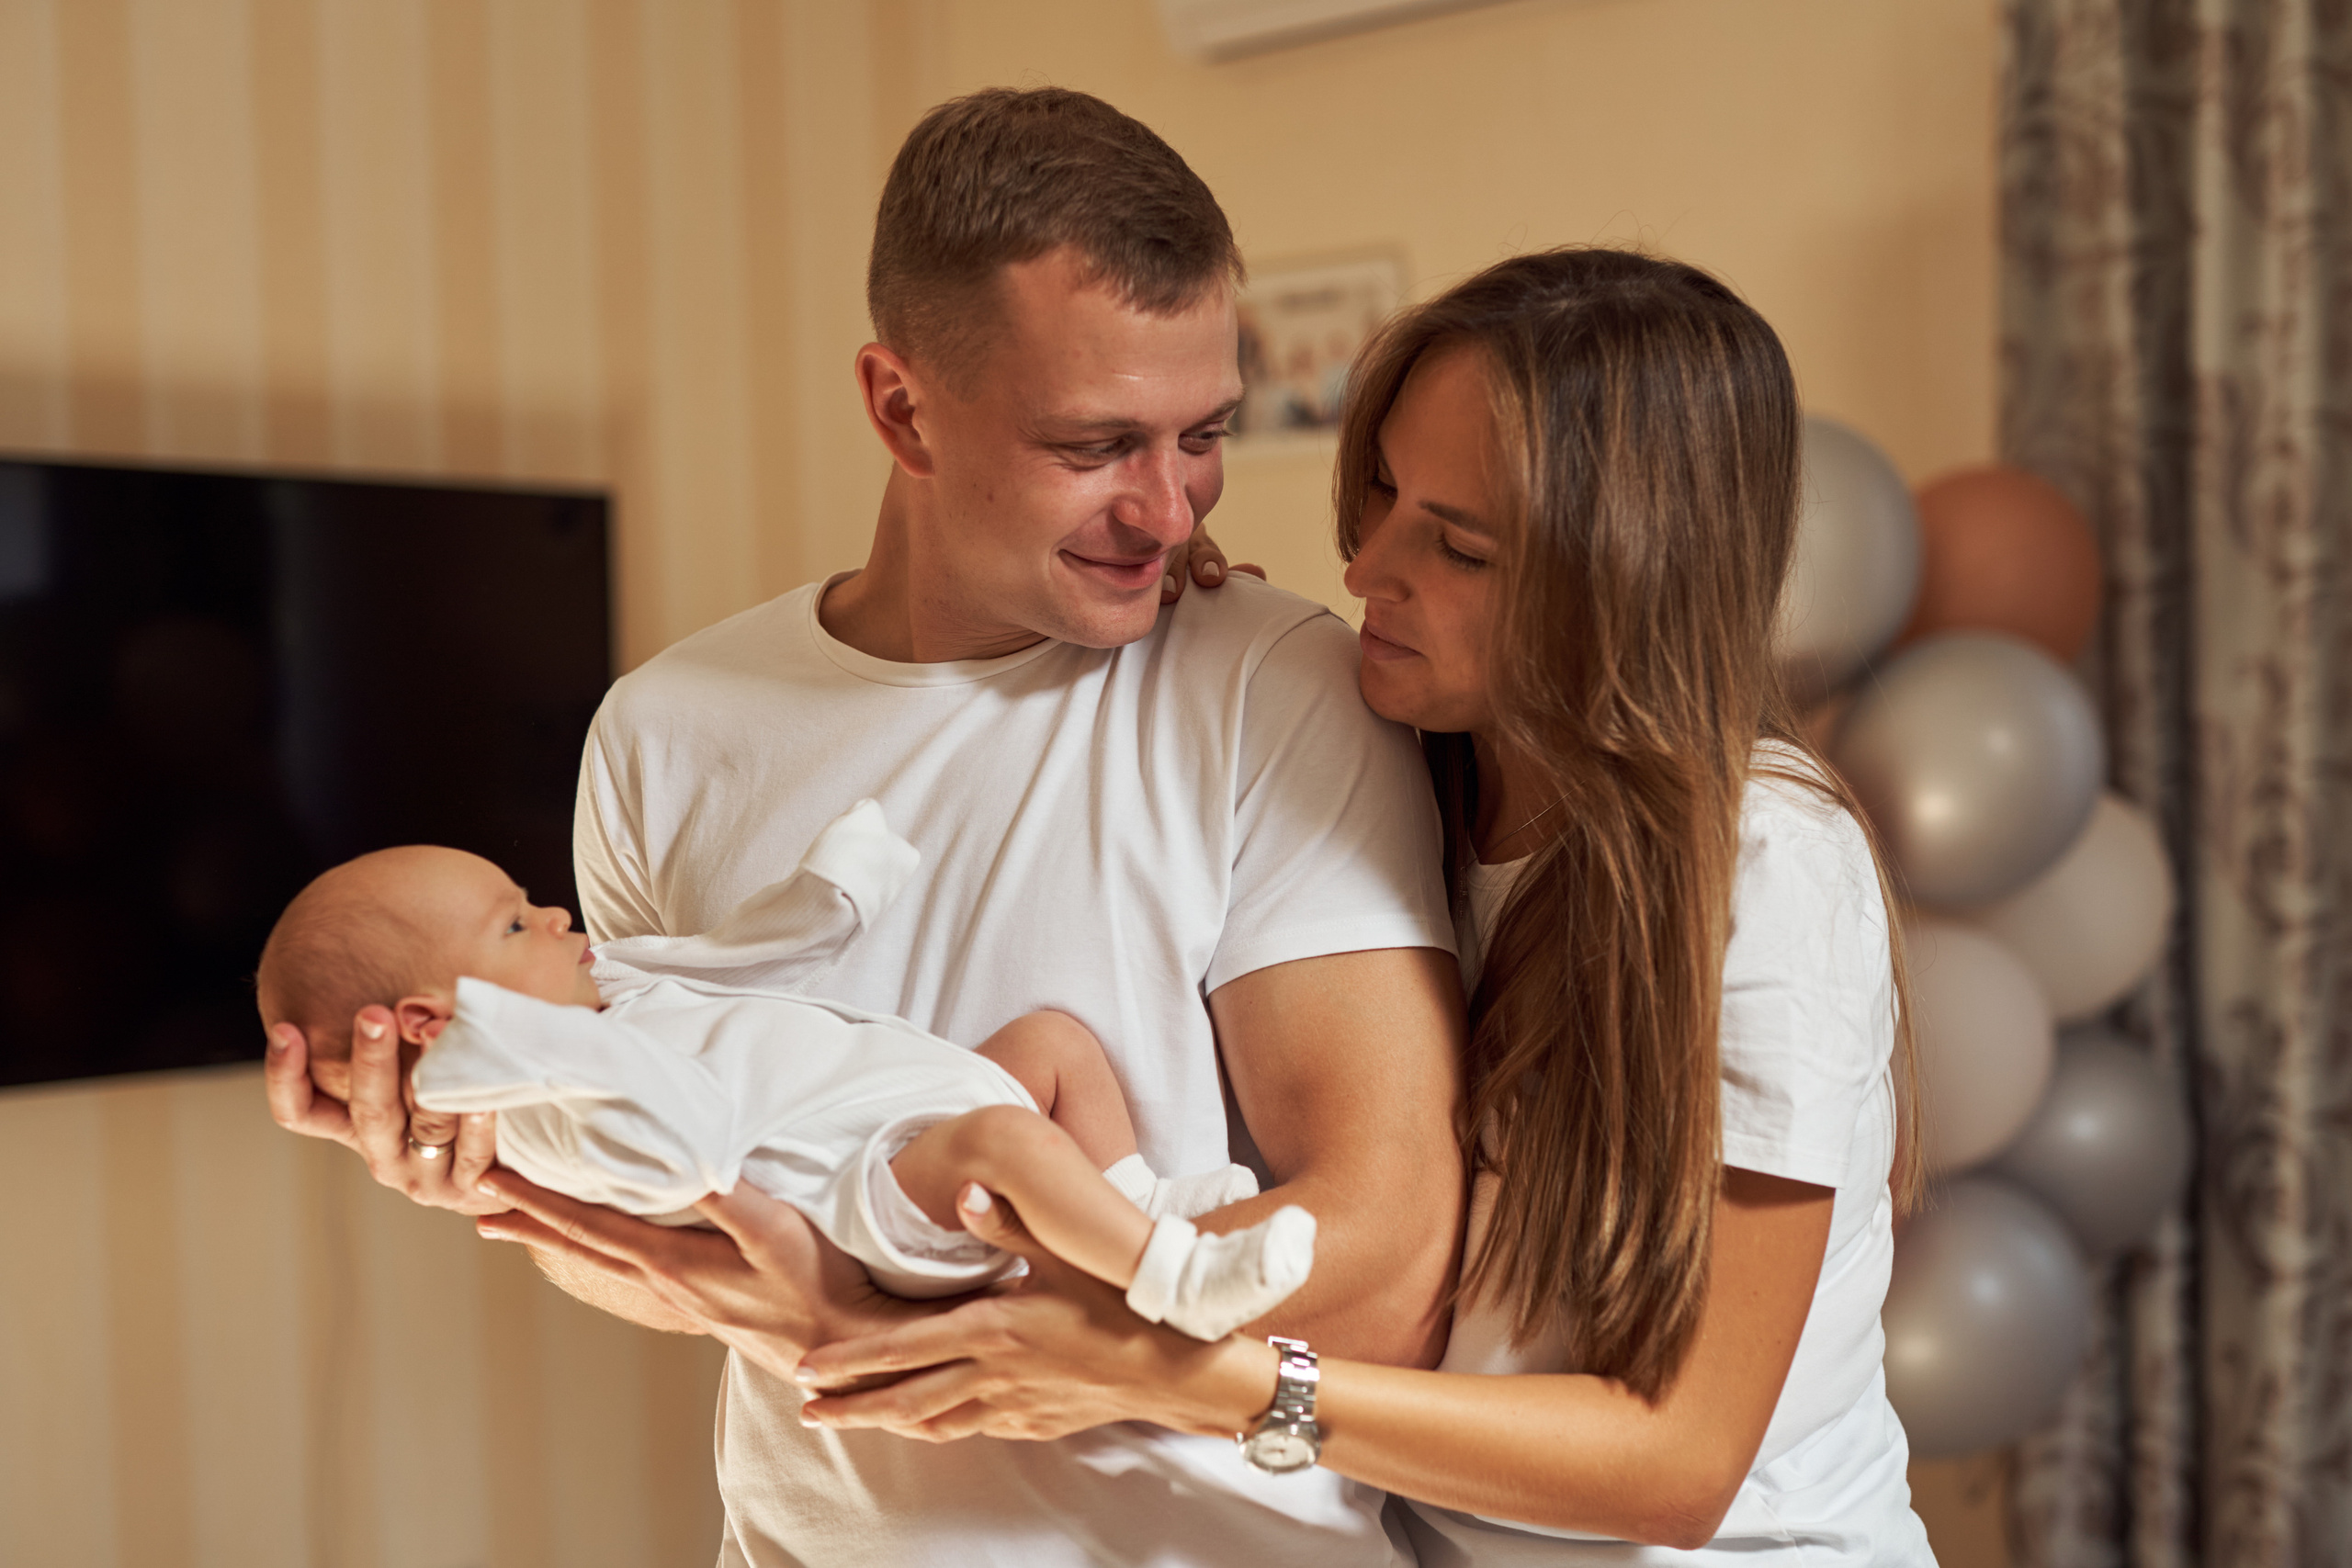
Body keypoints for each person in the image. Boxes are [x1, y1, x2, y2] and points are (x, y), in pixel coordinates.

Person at [264, 86, 1465, 1568]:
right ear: (902, 406)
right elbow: (702, 1210)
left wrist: (872, 1318)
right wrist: (507, 1174)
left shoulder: (1274, 688)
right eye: (1096, 444)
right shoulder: (665, 729)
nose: (1169, 512)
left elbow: (1392, 1273)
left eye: (1201, 434)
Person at [783, 249, 1939, 1566]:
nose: (1367, 564)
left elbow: (1674, 1464)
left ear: (1626, 577)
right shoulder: (1403, 775)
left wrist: (1183, 1377)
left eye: (1460, 546)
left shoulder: (1768, 868)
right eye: (1382, 489)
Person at [255, 804, 1315, 1341]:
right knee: (1008, 1144)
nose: (555, 914)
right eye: (514, 925)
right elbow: (688, 1163)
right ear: (442, 1022)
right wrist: (539, 1055)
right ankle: (1170, 1279)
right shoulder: (555, 1103)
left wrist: (832, 895)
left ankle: (1135, 1203)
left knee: (1052, 1045)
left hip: (914, 1110)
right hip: (870, 1197)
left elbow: (728, 957)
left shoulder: (604, 991)